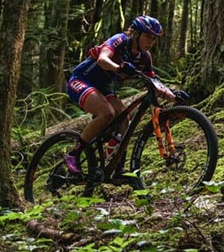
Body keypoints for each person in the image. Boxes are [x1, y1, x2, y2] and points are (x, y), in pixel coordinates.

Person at [64, 14, 181, 174]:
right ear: (136, 34)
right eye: (148, 37)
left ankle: (116, 163)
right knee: (107, 113)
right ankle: (74, 154)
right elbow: (102, 60)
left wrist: (174, 97)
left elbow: (155, 84)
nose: (151, 42)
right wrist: (119, 67)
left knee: (124, 119)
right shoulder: (120, 40)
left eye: (154, 39)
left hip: (104, 88)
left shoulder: (144, 57)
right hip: (82, 80)